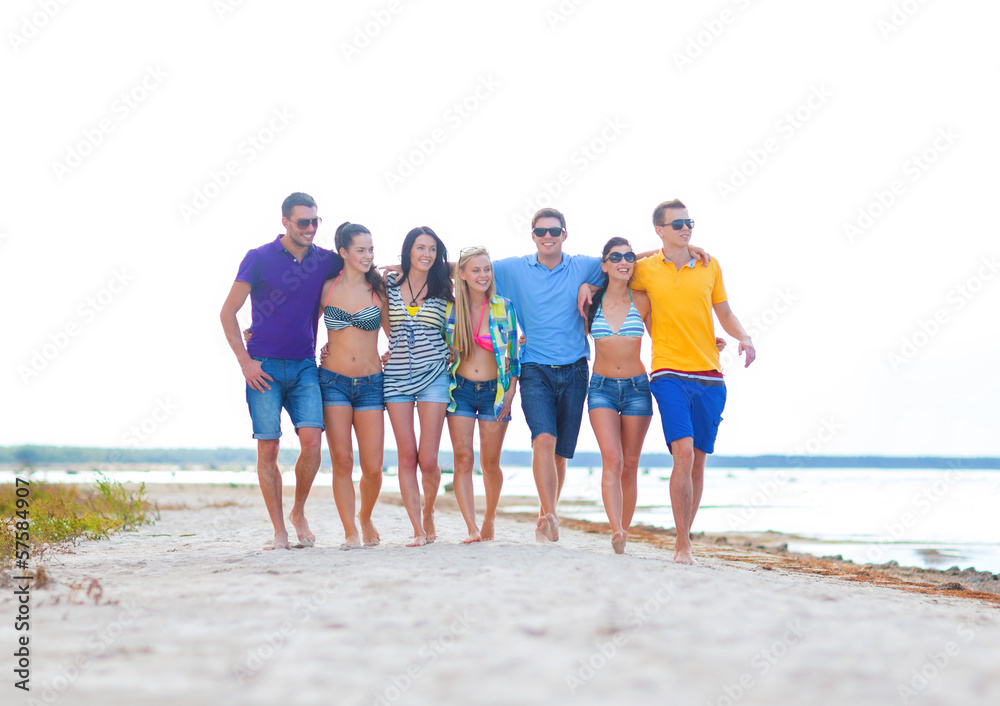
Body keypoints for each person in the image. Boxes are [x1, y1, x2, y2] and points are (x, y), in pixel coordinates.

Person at [493, 208, 709, 543]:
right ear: (532, 235)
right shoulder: (540, 278)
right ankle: (557, 516)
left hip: (606, 377)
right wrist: (417, 267)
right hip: (567, 376)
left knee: (576, 455)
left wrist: (680, 252)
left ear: (565, 233)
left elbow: (640, 279)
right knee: (554, 443)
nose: (548, 237)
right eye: (541, 232)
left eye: (554, 231)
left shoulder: (610, 282)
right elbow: (471, 270)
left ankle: (593, 523)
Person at [630, 199, 755, 565]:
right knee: (682, 453)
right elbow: (607, 265)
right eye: (678, 224)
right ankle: (681, 544)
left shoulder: (709, 264)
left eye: (689, 223)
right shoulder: (645, 269)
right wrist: (658, 251)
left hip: (710, 375)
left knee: (697, 461)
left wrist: (743, 337)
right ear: (660, 228)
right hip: (668, 372)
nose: (686, 228)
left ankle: (685, 535)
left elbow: (725, 312)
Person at [220, 192, 342, 550]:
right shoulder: (258, 258)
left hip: (305, 366)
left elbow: (358, 269)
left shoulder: (325, 261)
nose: (310, 228)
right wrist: (245, 361)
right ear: (285, 222)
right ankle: (279, 532)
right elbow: (227, 312)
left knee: (313, 444)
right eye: (303, 222)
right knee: (268, 449)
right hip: (264, 368)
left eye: (315, 221)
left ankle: (298, 511)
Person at [318, 222, 389, 549]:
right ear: (343, 252)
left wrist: (394, 356)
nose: (368, 255)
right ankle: (350, 532)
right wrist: (254, 335)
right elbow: (298, 324)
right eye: (360, 249)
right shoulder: (326, 288)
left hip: (372, 383)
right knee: (342, 462)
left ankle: (365, 515)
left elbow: (397, 334)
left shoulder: (380, 290)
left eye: (371, 249)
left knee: (373, 467)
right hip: (332, 382)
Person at [383, 227, 453, 547]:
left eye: (432, 249)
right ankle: (417, 529)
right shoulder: (388, 284)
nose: (426, 254)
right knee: (407, 456)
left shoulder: (445, 287)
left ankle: (428, 511)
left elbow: (474, 266)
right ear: (408, 250)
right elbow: (357, 276)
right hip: (395, 377)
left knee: (428, 459)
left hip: (434, 375)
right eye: (420, 247)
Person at [444, 247, 520, 543]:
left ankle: (488, 518)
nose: (483, 275)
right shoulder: (451, 310)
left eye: (487, 269)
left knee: (490, 463)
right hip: (459, 390)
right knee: (463, 458)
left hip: (494, 392)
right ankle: (471, 527)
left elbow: (514, 354)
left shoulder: (504, 307)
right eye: (475, 270)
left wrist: (512, 390)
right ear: (461, 274)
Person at [585, 238, 654, 555]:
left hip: (637, 388)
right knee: (612, 459)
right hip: (601, 388)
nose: (623, 261)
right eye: (615, 257)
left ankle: (624, 533)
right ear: (604, 264)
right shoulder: (590, 300)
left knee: (630, 464)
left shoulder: (642, 299)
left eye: (628, 256)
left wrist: (710, 342)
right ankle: (616, 529)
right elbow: (564, 330)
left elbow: (667, 336)